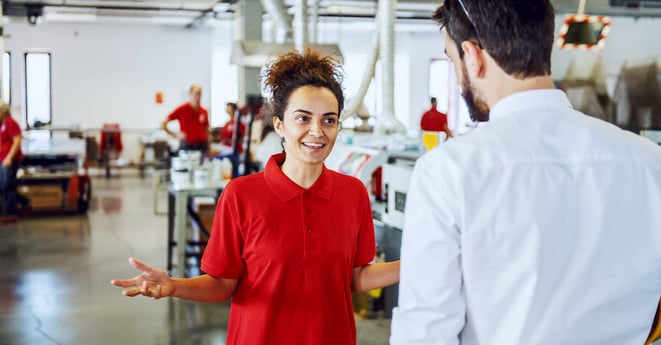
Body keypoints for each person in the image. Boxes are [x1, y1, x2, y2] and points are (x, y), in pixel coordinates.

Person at [391, 1, 661, 344]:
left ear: (472, 56)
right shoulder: (650, 163)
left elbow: (426, 332)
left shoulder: (449, 171)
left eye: (451, 58)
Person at [111, 49, 400, 345]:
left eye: (329, 120)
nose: (317, 132)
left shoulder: (353, 193)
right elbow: (222, 284)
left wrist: (416, 264)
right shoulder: (242, 195)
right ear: (279, 125)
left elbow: (355, 278)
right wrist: (173, 286)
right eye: (303, 118)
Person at [0, 101, 31, 223]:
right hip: (3, 159)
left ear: (3, 111)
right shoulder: (3, 124)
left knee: (8, 184)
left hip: (11, 159)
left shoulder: (11, 123)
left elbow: (17, 141)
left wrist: (9, 158)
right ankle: (25, 202)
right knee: (4, 185)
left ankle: (10, 213)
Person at [161, 84, 210, 153]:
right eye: (196, 94)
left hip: (202, 145)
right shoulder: (182, 109)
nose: (198, 97)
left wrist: (209, 146)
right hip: (187, 145)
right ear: (190, 94)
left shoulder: (204, 111)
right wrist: (174, 136)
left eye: (200, 94)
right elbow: (163, 124)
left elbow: (206, 129)